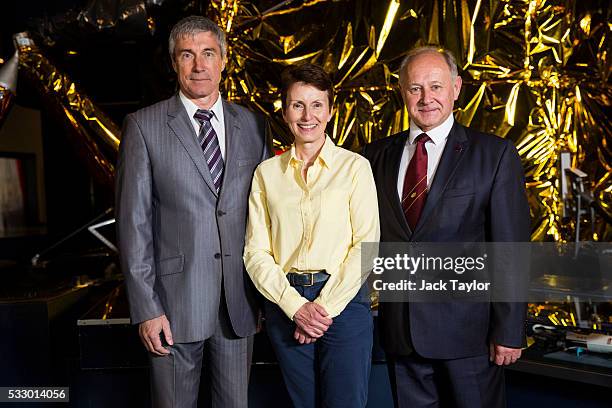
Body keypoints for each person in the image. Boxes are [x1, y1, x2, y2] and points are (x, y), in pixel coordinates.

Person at [362, 46, 530, 408]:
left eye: (436, 86)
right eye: (415, 88)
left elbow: (511, 250)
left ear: (456, 88)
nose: (426, 99)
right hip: (401, 333)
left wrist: (510, 330)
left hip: (470, 337)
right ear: (402, 92)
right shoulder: (374, 157)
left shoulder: (494, 155)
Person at [115, 15, 270, 408]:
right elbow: (134, 226)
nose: (199, 65)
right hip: (172, 307)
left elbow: (268, 214)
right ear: (174, 62)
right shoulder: (144, 126)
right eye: (187, 55)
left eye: (207, 53)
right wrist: (147, 309)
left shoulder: (254, 125)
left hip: (238, 307)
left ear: (223, 59)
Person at [243, 63, 380, 408]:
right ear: (285, 111)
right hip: (285, 303)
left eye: (317, 104)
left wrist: (319, 310)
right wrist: (295, 307)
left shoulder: (354, 168)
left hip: (344, 304)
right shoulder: (266, 174)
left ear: (331, 111)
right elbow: (255, 253)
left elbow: (366, 245)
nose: (308, 116)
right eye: (297, 105)